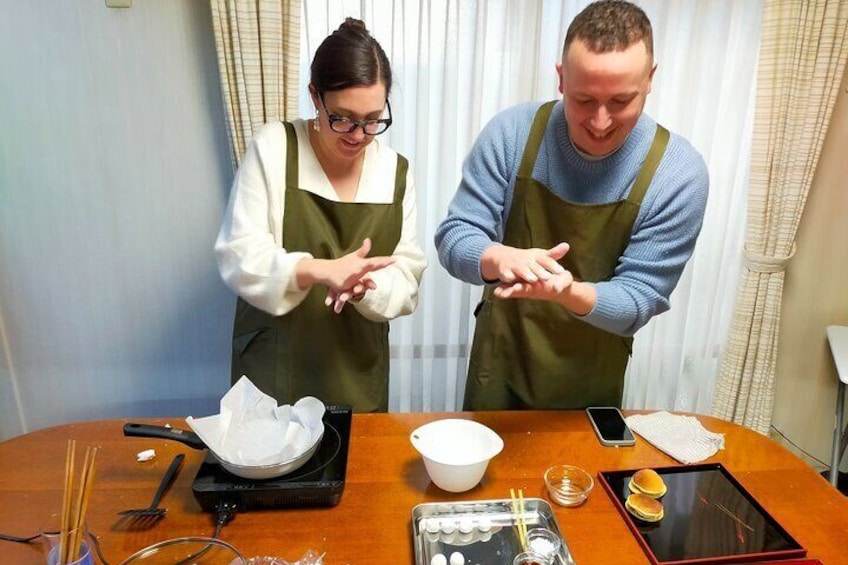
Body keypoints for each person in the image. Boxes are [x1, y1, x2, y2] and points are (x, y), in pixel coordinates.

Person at [434, 0, 709, 411]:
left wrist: (568, 292)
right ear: (561, 79)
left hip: (590, 377)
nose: (600, 122)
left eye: (620, 101)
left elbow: (639, 298)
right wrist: (497, 256)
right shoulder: (512, 134)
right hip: (501, 363)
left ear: (650, 79)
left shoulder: (678, 175)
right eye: (583, 100)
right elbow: (455, 238)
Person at [215, 18, 426, 412]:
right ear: (315, 96)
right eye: (342, 117)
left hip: (356, 370)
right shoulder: (276, 148)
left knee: (356, 468)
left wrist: (366, 287)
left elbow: (407, 276)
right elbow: (238, 254)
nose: (358, 135)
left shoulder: (394, 171)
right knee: (271, 467)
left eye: (373, 119)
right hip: (276, 367)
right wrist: (316, 270)